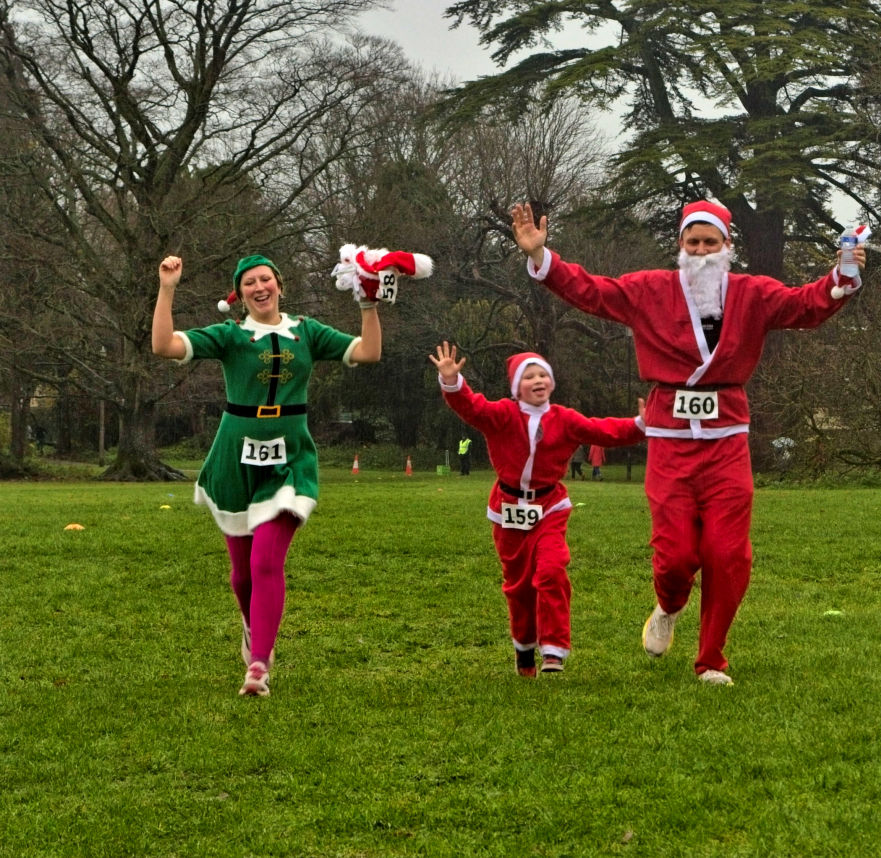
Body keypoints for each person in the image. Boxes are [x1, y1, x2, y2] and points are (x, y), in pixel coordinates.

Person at [511, 199, 867, 685]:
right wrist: (540, 257)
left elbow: (805, 305)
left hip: (727, 441)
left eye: (710, 242)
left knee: (728, 552)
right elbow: (592, 292)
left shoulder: (752, 294)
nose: (701, 251)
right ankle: (669, 604)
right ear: (680, 245)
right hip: (670, 440)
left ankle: (711, 658)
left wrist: (840, 278)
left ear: (727, 247)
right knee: (676, 554)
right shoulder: (649, 290)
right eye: (693, 242)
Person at [152, 253, 383, 697]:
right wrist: (167, 288)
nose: (260, 288)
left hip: (290, 459)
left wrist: (368, 303)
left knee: (265, 561)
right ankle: (253, 624)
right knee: (241, 575)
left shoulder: (308, 332)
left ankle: (258, 665)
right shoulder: (229, 336)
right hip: (233, 459)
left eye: (266, 280)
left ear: (280, 285)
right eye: (249, 283)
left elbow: (369, 352)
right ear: (238, 295)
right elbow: (164, 345)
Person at [429, 341, 645, 676]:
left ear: (552, 382)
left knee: (551, 570)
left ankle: (554, 652)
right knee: (518, 586)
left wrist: (639, 425)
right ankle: (524, 649)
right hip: (509, 509)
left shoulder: (565, 419)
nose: (538, 380)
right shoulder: (502, 415)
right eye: (529, 376)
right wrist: (452, 382)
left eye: (543, 374)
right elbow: (471, 407)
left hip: (550, 507)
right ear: (517, 388)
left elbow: (601, 430)